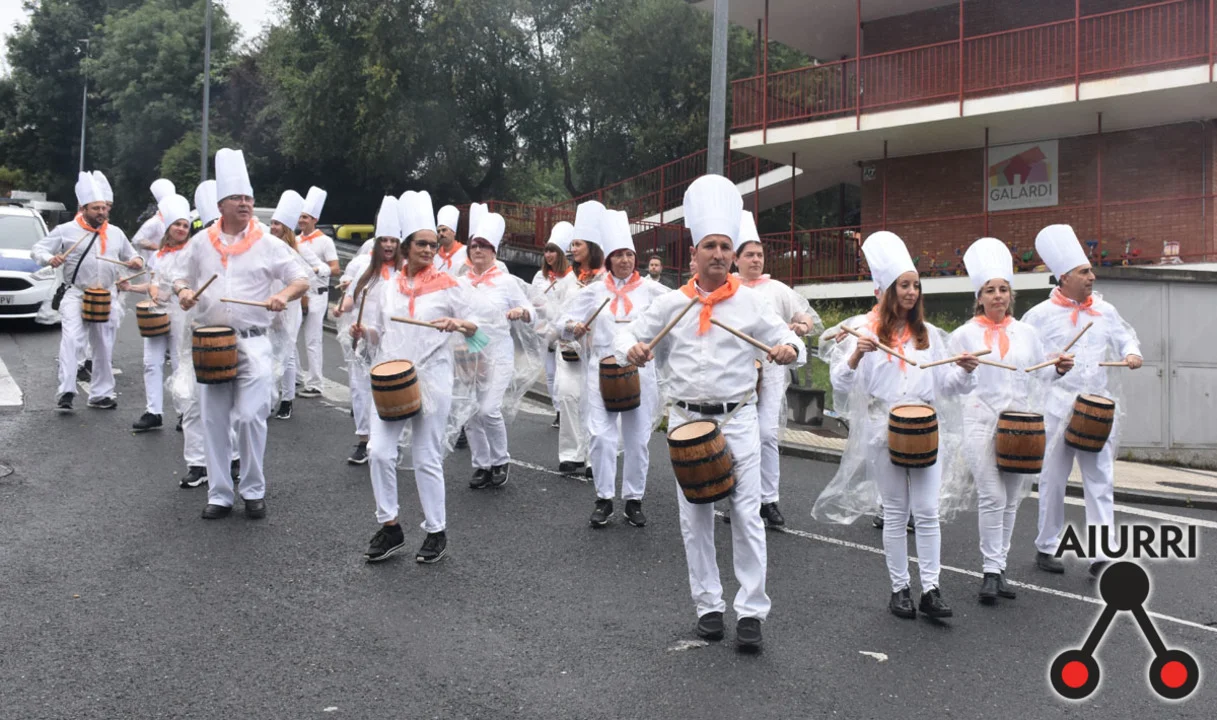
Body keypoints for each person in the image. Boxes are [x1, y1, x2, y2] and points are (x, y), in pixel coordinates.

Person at [617, 174, 805, 653]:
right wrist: (632, 350)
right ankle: (708, 607)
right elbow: (626, 336)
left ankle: (751, 612)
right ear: (694, 254)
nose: (719, 254)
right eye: (710, 246)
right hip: (685, 423)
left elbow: (792, 341)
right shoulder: (671, 304)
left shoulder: (752, 303)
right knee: (694, 519)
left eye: (725, 247)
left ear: (733, 254)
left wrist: (788, 349)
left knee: (746, 516)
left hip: (738, 418)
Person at [813, 231, 979, 621]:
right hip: (882, 430)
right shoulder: (866, 331)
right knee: (895, 511)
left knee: (927, 511)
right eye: (904, 285)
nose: (911, 292)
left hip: (926, 429)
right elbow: (841, 384)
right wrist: (856, 355)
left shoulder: (928, 335)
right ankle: (899, 588)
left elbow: (947, 385)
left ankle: (932, 589)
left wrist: (965, 370)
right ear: (889, 290)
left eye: (915, 285)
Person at [171, 148, 310, 520]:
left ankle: (253, 489)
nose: (246, 203)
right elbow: (178, 276)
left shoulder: (268, 242)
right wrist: (183, 292)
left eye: (249, 197)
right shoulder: (201, 242)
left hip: (253, 341)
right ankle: (219, 494)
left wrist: (282, 295)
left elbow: (301, 278)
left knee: (250, 417)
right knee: (213, 420)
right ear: (221, 205)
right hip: (210, 342)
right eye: (237, 198)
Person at [350, 191, 481, 564]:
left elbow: (480, 331)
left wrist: (459, 323)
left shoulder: (451, 285)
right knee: (378, 451)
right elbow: (382, 333)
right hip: (392, 376)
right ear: (406, 247)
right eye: (421, 243)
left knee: (426, 457)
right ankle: (390, 526)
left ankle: (436, 530)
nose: (428, 249)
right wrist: (364, 333)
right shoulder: (389, 286)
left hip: (433, 378)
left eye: (433, 244)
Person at [948, 237, 1074, 603]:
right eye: (990, 290)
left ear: (1010, 295)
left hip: (1020, 425)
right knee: (992, 495)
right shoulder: (964, 335)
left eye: (1003, 289)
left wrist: (1059, 368)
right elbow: (949, 383)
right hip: (978, 422)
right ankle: (990, 571)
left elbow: (1040, 374)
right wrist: (964, 369)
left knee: (1011, 499)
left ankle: (999, 569)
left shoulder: (1027, 334)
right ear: (980, 297)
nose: (998, 296)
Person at [1022, 224, 1141, 578]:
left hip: (1096, 407)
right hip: (1056, 408)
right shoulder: (1039, 315)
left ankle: (1102, 553)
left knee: (1100, 479)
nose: (1092, 277)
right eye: (1084, 271)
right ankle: (1047, 546)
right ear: (1064, 277)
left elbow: (1126, 337)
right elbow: (1027, 362)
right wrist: (1053, 368)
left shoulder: (1105, 310)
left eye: (1090, 271)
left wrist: (1132, 353)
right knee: (1053, 479)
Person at [563, 209, 667, 527]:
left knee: (637, 439)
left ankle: (634, 499)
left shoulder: (652, 290)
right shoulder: (595, 291)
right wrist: (574, 327)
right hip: (602, 369)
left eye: (629, 254)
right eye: (618, 255)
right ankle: (604, 498)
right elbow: (562, 322)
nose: (624, 260)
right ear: (609, 259)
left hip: (640, 369)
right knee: (601, 436)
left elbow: (680, 311)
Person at [733, 212, 822, 527]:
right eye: (749, 255)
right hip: (736, 370)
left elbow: (806, 318)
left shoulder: (777, 289)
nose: (756, 260)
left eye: (759, 254)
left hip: (771, 369)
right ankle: (740, 497)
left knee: (767, 434)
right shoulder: (728, 289)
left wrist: (801, 326)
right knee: (739, 437)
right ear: (736, 259)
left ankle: (768, 500)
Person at [32, 171, 143, 411]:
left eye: (104, 208)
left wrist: (136, 261)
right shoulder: (66, 230)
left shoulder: (116, 233)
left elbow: (133, 255)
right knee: (72, 340)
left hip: (106, 295)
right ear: (83, 209)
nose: (102, 212)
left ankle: (101, 394)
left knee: (103, 345)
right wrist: (50, 258)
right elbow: (38, 250)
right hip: (76, 293)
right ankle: (66, 391)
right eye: (96, 208)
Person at [461, 212, 537, 489]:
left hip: (498, 353)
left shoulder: (506, 281)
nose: (478, 250)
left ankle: (500, 459)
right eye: (474, 246)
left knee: (488, 409)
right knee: (470, 412)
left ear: (494, 252)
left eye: (484, 246)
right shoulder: (462, 282)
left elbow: (530, 309)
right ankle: (482, 465)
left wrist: (522, 312)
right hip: (469, 352)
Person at [121, 193, 193, 433]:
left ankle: (185, 412)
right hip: (157, 312)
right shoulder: (158, 255)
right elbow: (153, 283)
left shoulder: (192, 254)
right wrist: (132, 287)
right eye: (177, 224)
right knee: (151, 363)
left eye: (185, 225)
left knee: (180, 363)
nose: (181, 228)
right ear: (169, 228)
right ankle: (154, 412)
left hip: (181, 313)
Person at [333, 224, 401, 466]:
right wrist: (342, 308)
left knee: (389, 392)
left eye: (393, 240)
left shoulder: (403, 273)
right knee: (360, 389)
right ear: (377, 243)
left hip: (391, 341)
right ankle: (363, 440)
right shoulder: (365, 269)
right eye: (384, 240)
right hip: (362, 338)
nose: (389, 245)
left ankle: (392, 442)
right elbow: (350, 299)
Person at [553, 201, 606, 476]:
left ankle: (593, 456)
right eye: (572, 244)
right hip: (569, 351)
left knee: (594, 402)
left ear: (592, 247)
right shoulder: (567, 281)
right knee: (568, 397)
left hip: (597, 352)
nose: (572, 249)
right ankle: (571, 453)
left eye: (577, 244)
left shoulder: (607, 281)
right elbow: (558, 317)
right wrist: (570, 328)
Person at [267, 190, 329, 420]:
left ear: (286, 227)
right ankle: (269, 399)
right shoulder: (266, 245)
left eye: (277, 224)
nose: (273, 227)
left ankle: (287, 400)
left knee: (288, 350)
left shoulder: (299, 247)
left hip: (290, 303)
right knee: (269, 350)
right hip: (270, 301)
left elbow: (324, 268)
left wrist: (309, 272)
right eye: (272, 223)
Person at [530, 221, 574, 429]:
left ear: (561, 254)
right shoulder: (540, 276)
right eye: (546, 251)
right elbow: (534, 299)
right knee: (550, 374)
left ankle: (566, 411)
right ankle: (557, 410)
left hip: (563, 333)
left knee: (564, 375)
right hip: (544, 332)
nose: (548, 255)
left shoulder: (572, 277)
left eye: (553, 251)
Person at [296, 186, 339, 398]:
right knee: (290, 337)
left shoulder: (325, 241)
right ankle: (295, 375)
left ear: (314, 219)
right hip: (298, 294)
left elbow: (335, 268)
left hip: (317, 294)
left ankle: (315, 383)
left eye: (305, 217)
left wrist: (318, 269)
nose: (301, 220)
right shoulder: (295, 240)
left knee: (312, 340)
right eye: (300, 216)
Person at [130, 178, 177, 267]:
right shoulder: (155, 222)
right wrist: (159, 248)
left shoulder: (175, 223)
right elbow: (137, 240)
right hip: (153, 266)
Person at [434, 204, 466, 274]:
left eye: (444, 230)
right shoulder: (435, 257)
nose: (441, 233)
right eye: (438, 231)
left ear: (453, 232)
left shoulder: (465, 252)